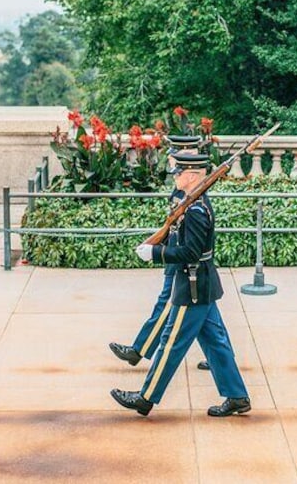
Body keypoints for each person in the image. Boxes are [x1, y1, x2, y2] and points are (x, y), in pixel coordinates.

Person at [111, 152, 251, 417]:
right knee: (216, 344)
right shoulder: (190, 203)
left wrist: (156, 253)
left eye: (179, 173)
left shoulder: (196, 210)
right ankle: (237, 396)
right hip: (202, 285)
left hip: (193, 286)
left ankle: (146, 398)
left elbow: (191, 253)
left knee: (170, 343)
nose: (175, 176)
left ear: (192, 176)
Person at [108, 136, 210, 371]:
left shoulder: (193, 192)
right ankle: (218, 359)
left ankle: (139, 350)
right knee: (208, 323)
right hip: (174, 251)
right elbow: (172, 222)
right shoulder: (182, 188)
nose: (173, 164)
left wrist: (159, 252)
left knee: (168, 304)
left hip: (180, 257)